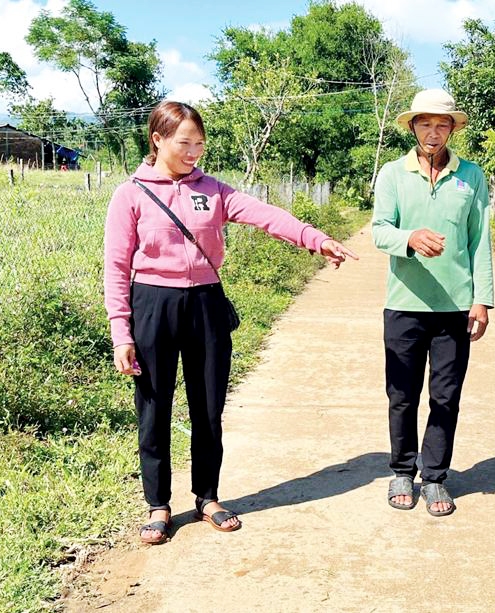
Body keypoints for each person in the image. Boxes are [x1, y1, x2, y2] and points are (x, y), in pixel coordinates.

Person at [103, 101, 357, 545]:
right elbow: (116, 266)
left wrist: (316, 240)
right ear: (157, 140)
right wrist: (120, 331)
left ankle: (207, 497)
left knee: (208, 408)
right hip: (152, 305)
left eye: (199, 143)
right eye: (185, 143)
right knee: (154, 408)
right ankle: (158, 506)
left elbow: (267, 216)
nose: (194, 152)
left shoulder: (214, 190)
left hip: (206, 303)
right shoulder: (131, 193)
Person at [372, 89, 494, 517]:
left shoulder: (471, 176)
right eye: (425, 123)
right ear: (412, 127)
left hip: (455, 307)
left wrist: (482, 300)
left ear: (452, 129)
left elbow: (480, 241)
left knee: (446, 396)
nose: (434, 131)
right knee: (401, 394)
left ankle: (436, 477)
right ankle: (403, 470)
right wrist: (409, 238)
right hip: (404, 303)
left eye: (442, 124)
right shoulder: (392, 174)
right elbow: (379, 230)